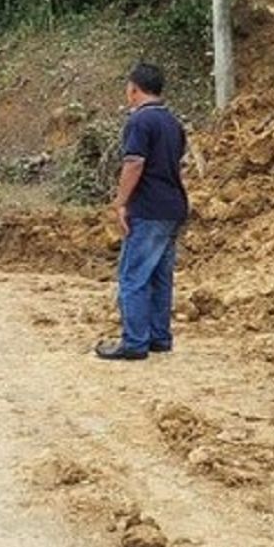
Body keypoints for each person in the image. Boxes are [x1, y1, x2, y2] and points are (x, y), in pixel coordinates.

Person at [95, 63, 189, 361]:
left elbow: (134, 163)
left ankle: (135, 341)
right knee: (161, 275)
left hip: (148, 208)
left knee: (133, 276)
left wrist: (121, 201)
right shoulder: (173, 123)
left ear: (134, 89)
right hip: (173, 205)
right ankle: (159, 337)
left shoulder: (139, 122)